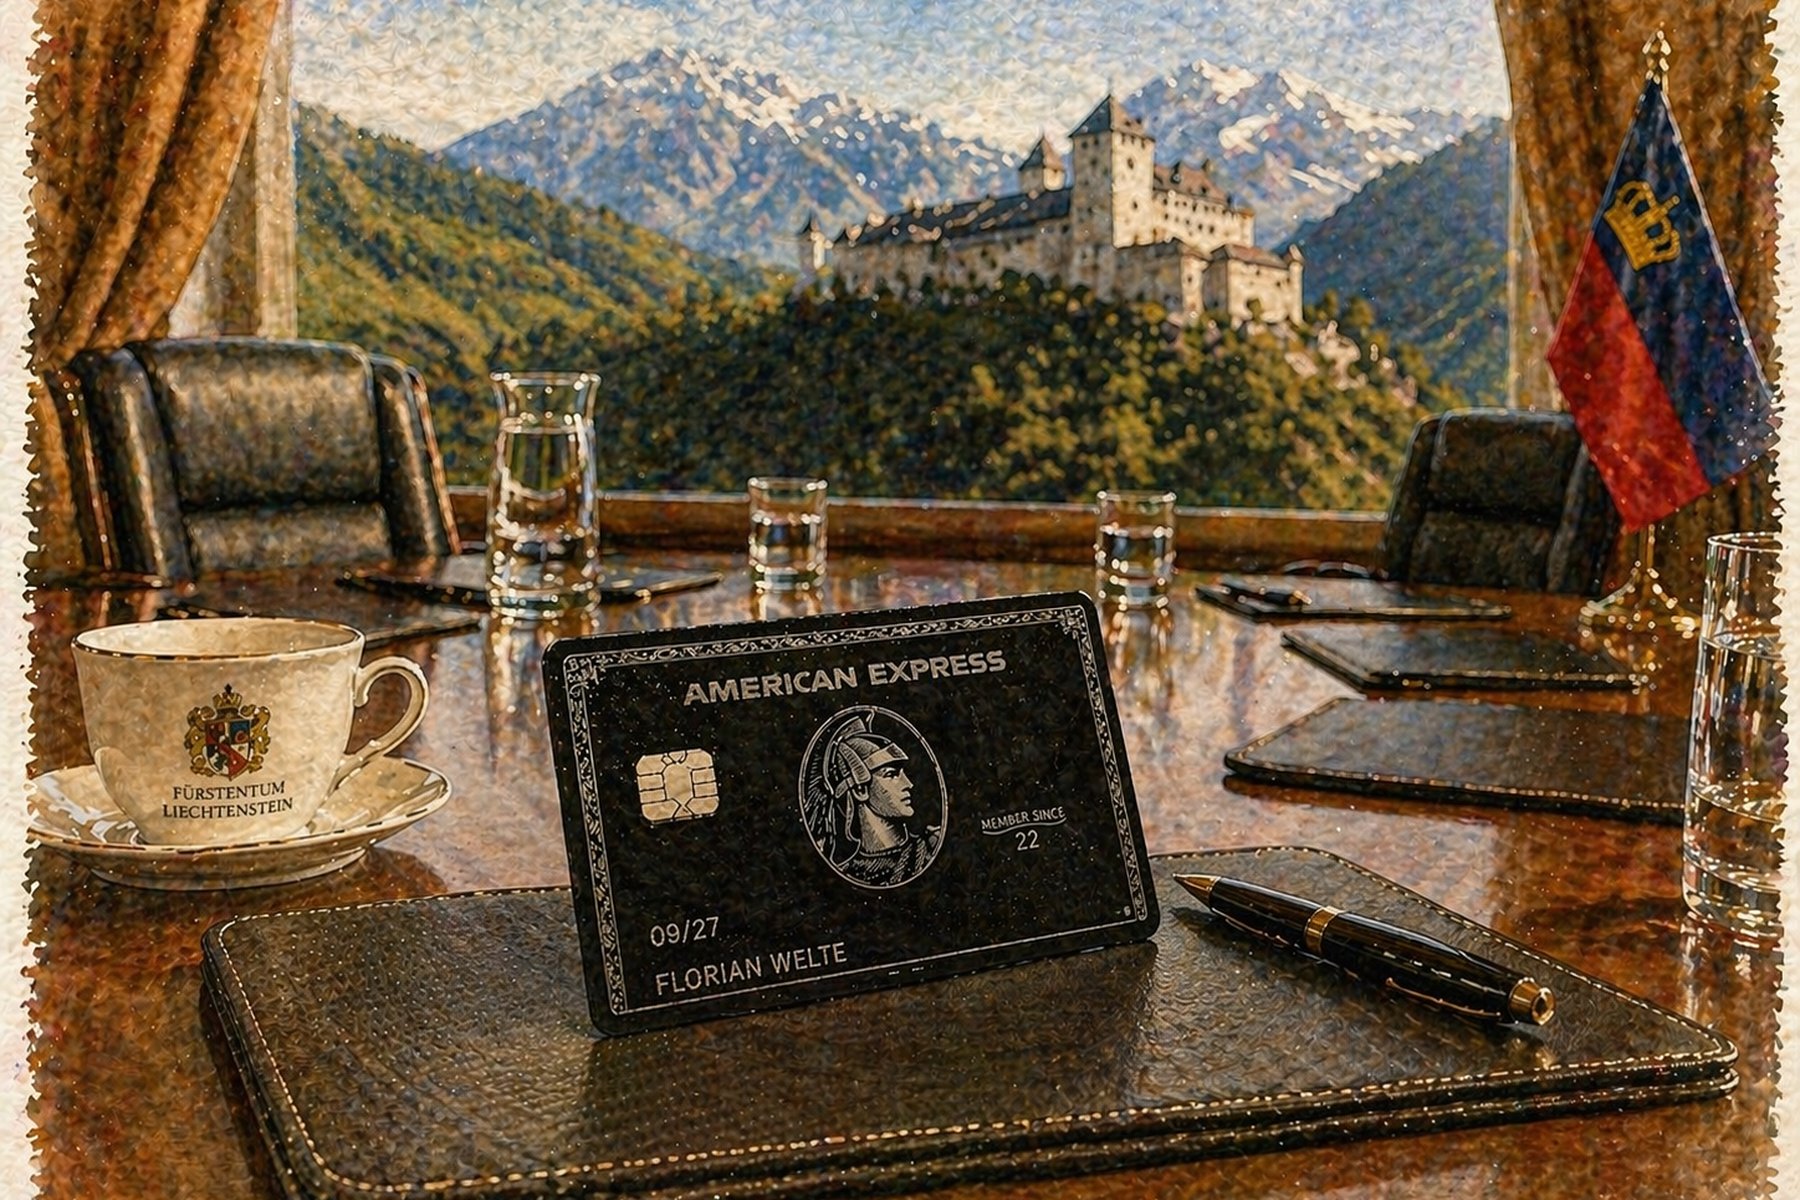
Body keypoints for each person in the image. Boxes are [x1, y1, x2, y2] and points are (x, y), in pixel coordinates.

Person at [808, 713, 941, 887]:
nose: (908, 784)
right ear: (860, 790)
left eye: (903, 773)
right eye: (891, 775)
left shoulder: (932, 848)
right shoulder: (844, 875)